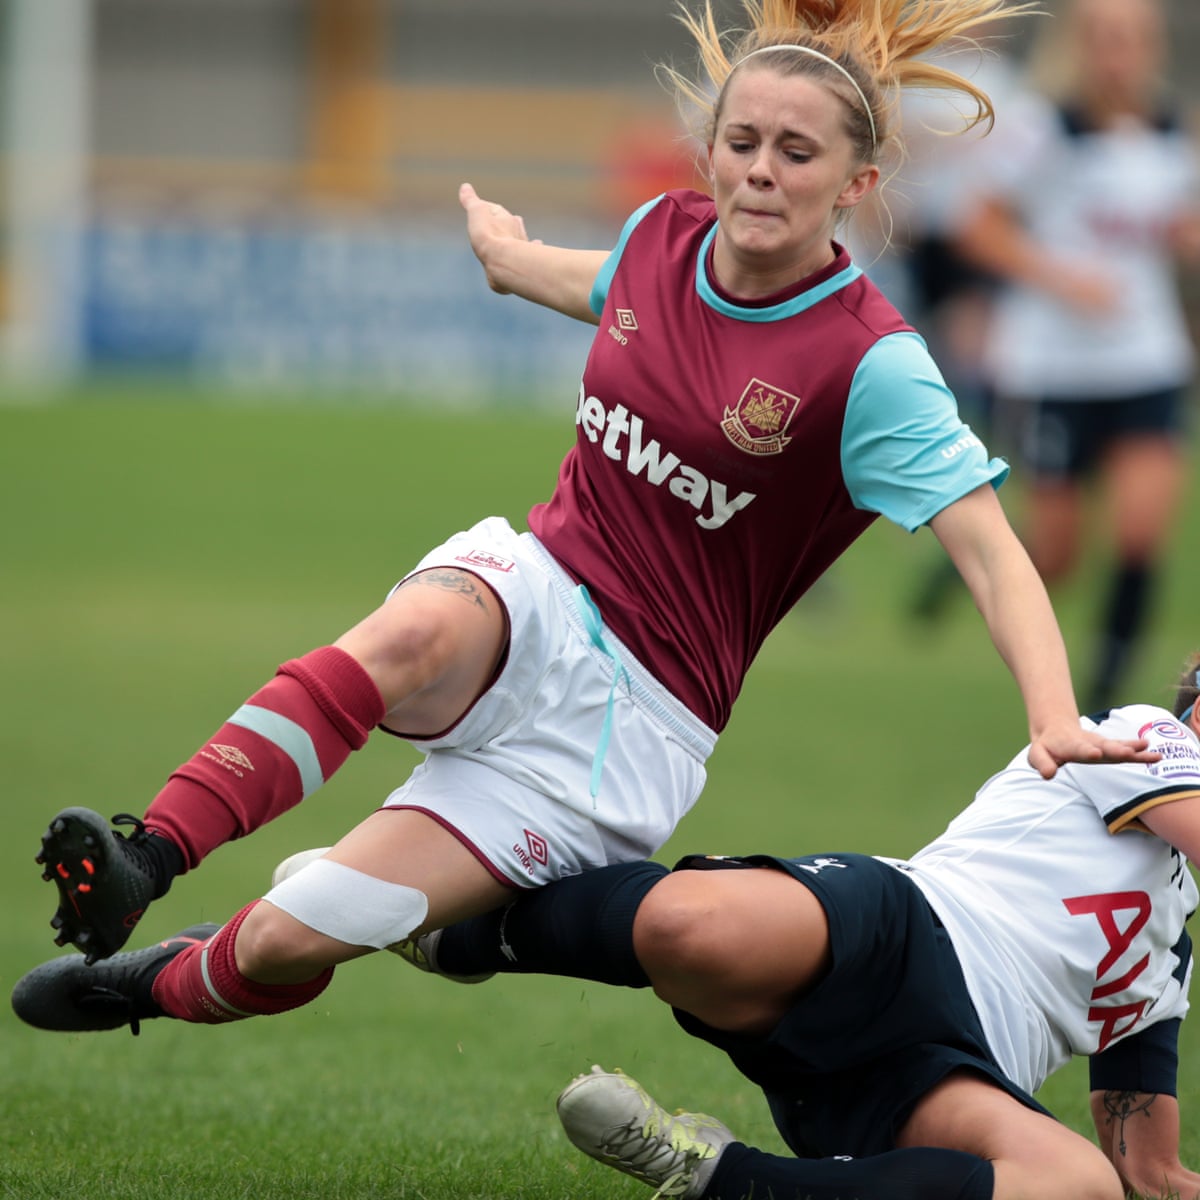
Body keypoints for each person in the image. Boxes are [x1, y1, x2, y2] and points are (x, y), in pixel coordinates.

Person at [16, 0, 1153, 1036]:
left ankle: (154, 981)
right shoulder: (665, 236)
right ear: (711, 151)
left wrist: (1052, 715)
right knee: (409, 634)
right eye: (742, 144)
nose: (760, 172)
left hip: (630, 726)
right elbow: (598, 286)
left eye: (796, 153)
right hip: (536, 591)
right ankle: (147, 854)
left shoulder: (871, 367)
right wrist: (507, 259)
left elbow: (997, 561)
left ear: (855, 185)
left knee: (284, 935)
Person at [325, 653, 1200, 1200]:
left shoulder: (1171, 965)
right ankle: (450, 932)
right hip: (908, 928)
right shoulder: (1143, 738)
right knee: (688, 930)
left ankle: (712, 1173)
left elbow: (1149, 1174)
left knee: (1080, 1189)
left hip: (943, 1078)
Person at [952, 0, 1200, 709]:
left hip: (1147, 361)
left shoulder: (1168, 130)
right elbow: (978, 226)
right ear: (1081, 47)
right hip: (1054, 367)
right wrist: (1061, 278)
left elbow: (1169, 221)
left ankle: (1107, 704)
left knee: (1140, 533)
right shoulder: (1042, 128)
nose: (1118, 55)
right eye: (1105, 40)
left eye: (1131, 40)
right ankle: (962, 572)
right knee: (1056, 553)